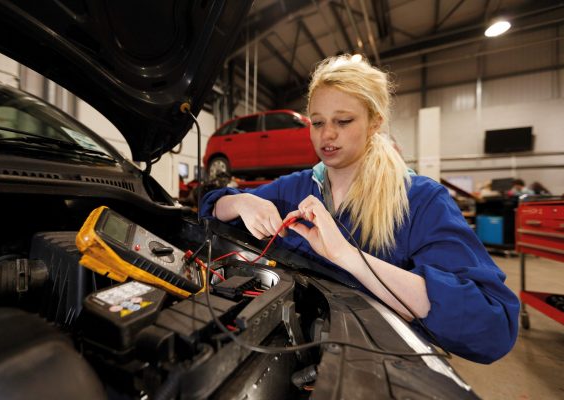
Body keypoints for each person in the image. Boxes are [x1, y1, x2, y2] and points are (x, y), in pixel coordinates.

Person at [200, 55, 519, 364]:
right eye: (318, 122)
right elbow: (211, 206)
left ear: (374, 122)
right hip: (293, 354)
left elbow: (493, 327)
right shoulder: (295, 188)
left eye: (343, 121)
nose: (327, 135)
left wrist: (349, 257)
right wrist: (241, 201)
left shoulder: (419, 201)